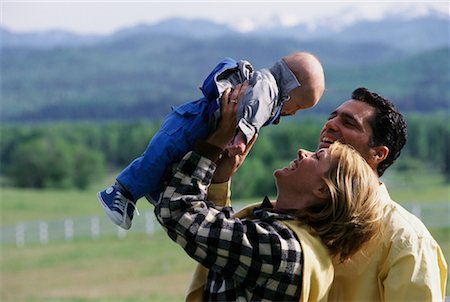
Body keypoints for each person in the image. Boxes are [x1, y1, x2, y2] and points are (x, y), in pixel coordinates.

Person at [203, 87, 448, 301]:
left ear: (378, 154)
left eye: (349, 123)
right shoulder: (299, 211)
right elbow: (218, 242)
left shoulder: (406, 240)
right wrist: (220, 179)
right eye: (332, 117)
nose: (330, 125)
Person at [155, 87, 384, 301]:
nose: (303, 153)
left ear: (323, 189)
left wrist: (214, 142)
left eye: (317, 158)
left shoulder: (279, 248)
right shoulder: (293, 241)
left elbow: (177, 211)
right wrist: (220, 179)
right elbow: (220, 234)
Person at [97, 51, 325, 230]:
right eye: (298, 106)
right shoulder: (268, 89)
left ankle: (155, 194)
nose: (294, 113)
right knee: (161, 155)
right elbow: (254, 108)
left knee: (172, 164)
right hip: (193, 123)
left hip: (203, 129)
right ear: (290, 89)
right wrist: (240, 137)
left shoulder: (266, 89)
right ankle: (120, 192)